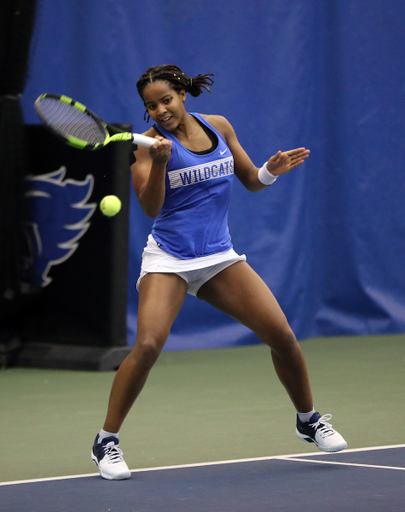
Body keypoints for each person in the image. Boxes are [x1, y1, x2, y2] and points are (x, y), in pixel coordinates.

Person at [91, 64, 347, 480]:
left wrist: (271, 171)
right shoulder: (149, 145)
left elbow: (250, 180)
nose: (159, 110)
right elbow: (151, 208)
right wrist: (159, 163)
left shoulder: (219, 126)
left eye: (165, 100)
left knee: (281, 335)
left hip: (218, 258)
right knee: (149, 345)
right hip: (170, 258)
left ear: (182, 95)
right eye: (150, 106)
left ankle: (308, 419)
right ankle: (106, 442)